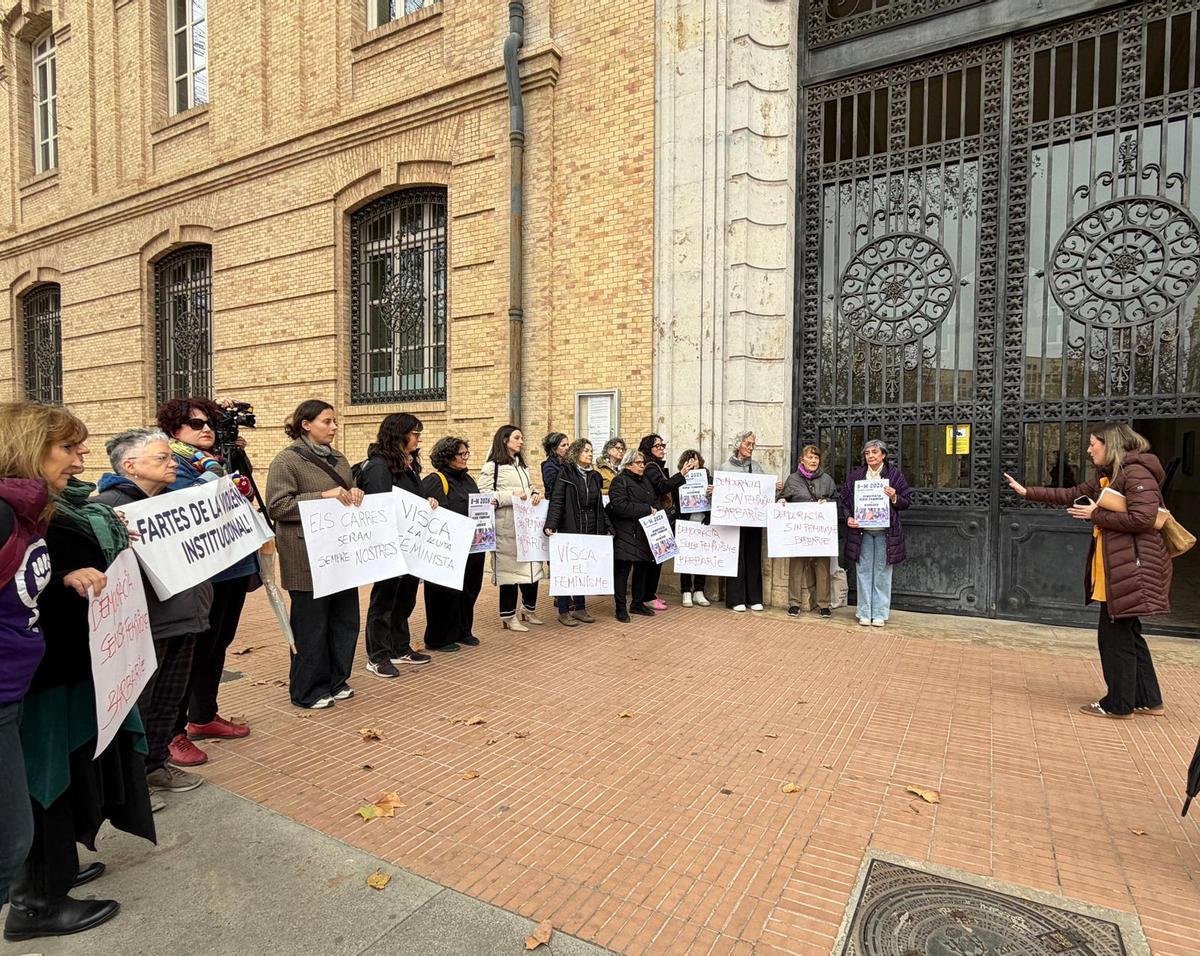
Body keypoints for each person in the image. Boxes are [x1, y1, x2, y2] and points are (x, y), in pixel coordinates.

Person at [2, 405, 154, 941]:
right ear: (29, 449)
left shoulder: (43, 509)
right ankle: (37, 902)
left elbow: (28, 582)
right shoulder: (15, 512)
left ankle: (56, 870)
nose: (81, 458)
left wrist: (64, 577)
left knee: (60, 781)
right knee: (39, 788)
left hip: (58, 670)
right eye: (68, 448)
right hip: (37, 678)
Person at [1005, 422, 1169, 719]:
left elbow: (1144, 519)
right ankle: (1148, 699)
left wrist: (1097, 514)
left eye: (1094, 443)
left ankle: (1118, 704)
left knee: (1114, 637)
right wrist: (1027, 491)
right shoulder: (1109, 476)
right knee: (1129, 634)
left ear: (1112, 445)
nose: (1090, 449)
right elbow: (1070, 494)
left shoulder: (1136, 473)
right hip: (1118, 567)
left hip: (1131, 568)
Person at [95, 429, 212, 796]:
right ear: (130, 466)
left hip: (185, 615)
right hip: (145, 624)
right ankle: (131, 786)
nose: (172, 462)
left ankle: (156, 766)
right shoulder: (107, 508)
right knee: (139, 708)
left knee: (168, 700)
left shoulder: (175, 500)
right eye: (162, 458)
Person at [156, 397, 255, 765]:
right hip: (202, 572)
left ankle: (203, 716)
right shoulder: (174, 463)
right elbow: (189, 503)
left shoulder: (219, 459)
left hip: (233, 565)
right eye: (196, 424)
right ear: (174, 430)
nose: (207, 430)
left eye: (210, 422)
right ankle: (173, 731)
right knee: (192, 652)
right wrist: (218, 476)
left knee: (218, 645)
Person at [266, 401, 363, 709]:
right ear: (306, 425)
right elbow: (278, 507)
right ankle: (308, 689)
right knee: (312, 625)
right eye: (327, 422)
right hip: (306, 556)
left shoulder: (339, 459)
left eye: (334, 422)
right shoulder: (287, 461)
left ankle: (337, 679)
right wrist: (322, 497)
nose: (334, 427)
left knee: (344, 621)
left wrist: (356, 493)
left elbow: (348, 491)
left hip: (340, 554)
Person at [355, 413, 434, 678]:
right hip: (389, 545)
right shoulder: (379, 466)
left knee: (405, 598)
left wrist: (428, 502)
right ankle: (377, 655)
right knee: (384, 600)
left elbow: (412, 499)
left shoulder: (409, 464)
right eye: (415, 433)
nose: (418, 438)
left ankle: (400, 647)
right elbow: (380, 504)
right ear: (399, 434)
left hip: (409, 543)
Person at [420, 438, 487, 651]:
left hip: (473, 545)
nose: (466, 457)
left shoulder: (468, 478)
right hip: (449, 547)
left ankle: (463, 630)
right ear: (448, 457)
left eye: (467, 453)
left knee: (469, 589)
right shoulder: (436, 480)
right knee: (445, 592)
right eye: (462, 454)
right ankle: (439, 637)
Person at [839, 439, 911, 627]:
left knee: (883, 573)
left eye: (874, 452)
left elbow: (906, 502)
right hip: (861, 533)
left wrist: (894, 496)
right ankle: (864, 612)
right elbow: (844, 502)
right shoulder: (856, 476)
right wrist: (848, 518)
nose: (870, 456)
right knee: (863, 571)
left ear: (883, 455)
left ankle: (879, 613)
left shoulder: (894, 476)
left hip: (885, 533)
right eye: (867, 453)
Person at [479, 426, 544, 632]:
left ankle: (528, 609)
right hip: (507, 529)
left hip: (526, 528)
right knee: (510, 575)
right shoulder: (493, 466)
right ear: (505, 440)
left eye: (522, 438)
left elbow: (531, 487)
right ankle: (508, 615)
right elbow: (484, 495)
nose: (521, 441)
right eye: (517, 437)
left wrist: (536, 494)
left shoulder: (522, 466)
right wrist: (511, 495)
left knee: (532, 570)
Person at [544, 439, 610, 625]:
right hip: (570, 527)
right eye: (586, 451)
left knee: (583, 569)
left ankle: (580, 608)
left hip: (590, 529)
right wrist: (551, 524)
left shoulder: (595, 476)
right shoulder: (565, 473)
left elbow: (599, 506)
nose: (590, 454)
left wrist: (607, 526)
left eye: (591, 450)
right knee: (567, 569)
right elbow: (557, 501)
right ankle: (564, 611)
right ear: (576, 453)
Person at [718, 431, 780, 612]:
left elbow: (763, 492)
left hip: (753, 520)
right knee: (736, 558)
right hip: (733, 520)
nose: (751, 448)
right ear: (738, 445)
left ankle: (754, 598)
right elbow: (721, 494)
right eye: (748, 444)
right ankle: (735, 599)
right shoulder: (725, 468)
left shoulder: (756, 466)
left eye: (753, 444)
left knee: (753, 557)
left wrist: (773, 488)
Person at [637, 435, 698, 611]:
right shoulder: (650, 467)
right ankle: (646, 596)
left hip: (660, 517)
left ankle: (650, 594)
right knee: (652, 559)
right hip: (654, 518)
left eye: (663, 445)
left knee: (658, 557)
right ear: (649, 448)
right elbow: (662, 487)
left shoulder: (656, 466)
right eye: (658, 445)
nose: (662, 448)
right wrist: (682, 474)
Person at [780, 444, 839, 618]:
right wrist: (782, 500)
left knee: (822, 565)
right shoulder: (792, 479)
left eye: (816, 457)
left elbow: (837, 500)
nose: (813, 460)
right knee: (796, 565)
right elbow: (783, 497)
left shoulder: (827, 479)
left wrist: (827, 502)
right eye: (810, 457)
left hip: (820, 531)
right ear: (802, 460)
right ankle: (794, 603)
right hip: (799, 532)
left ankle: (824, 604)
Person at [607, 449, 659, 622]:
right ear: (628, 464)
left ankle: (637, 603)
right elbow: (620, 506)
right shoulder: (619, 481)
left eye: (643, 463)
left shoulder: (645, 481)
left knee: (642, 569)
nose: (642, 466)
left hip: (644, 533)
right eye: (639, 463)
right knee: (622, 571)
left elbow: (652, 500)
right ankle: (620, 608)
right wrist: (646, 510)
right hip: (626, 534)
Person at [672, 448, 712, 607]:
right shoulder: (679, 478)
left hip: (703, 522)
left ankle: (699, 591)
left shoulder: (708, 478)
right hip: (686, 523)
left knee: (702, 557)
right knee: (686, 558)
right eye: (688, 460)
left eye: (694, 459)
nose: (692, 463)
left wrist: (712, 491)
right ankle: (686, 591)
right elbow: (674, 499)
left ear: (700, 461)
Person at [541, 432, 570, 497]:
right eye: (563, 445)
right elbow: (555, 489)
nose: (567, 448)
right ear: (554, 449)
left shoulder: (567, 463)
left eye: (568, 445)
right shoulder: (549, 466)